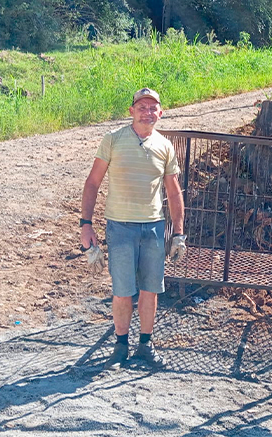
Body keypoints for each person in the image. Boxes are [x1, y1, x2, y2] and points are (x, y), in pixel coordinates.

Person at [80, 88, 187, 370]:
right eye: (142, 106)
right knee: (123, 291)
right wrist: (85, 224)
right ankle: (120, 345)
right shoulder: (113, 141)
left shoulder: (165, 146)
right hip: (120, 227)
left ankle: (145, 345)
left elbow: (174, 192)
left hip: (153, 228)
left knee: (150, 291)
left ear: (160, 114)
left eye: (153, 108)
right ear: (131, 111)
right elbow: (92, 183)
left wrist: (178, 234)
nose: (147, 112)